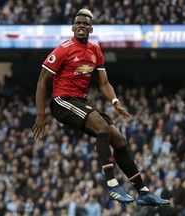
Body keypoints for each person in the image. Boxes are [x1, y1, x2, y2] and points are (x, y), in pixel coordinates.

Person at [31, 8, 170, 207]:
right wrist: (40, 114)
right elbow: (42, 81)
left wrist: (115, 102)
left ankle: (143, 191)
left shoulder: (95, 51)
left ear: (91, 28)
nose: (81, 26)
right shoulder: (63, 49)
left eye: (85, 24)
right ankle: (113, 185)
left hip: (81, 102)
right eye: (78, 23)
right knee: (101, 128)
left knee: (119, 139)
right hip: (62, 101)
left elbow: (104, 84)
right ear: (73, 27)